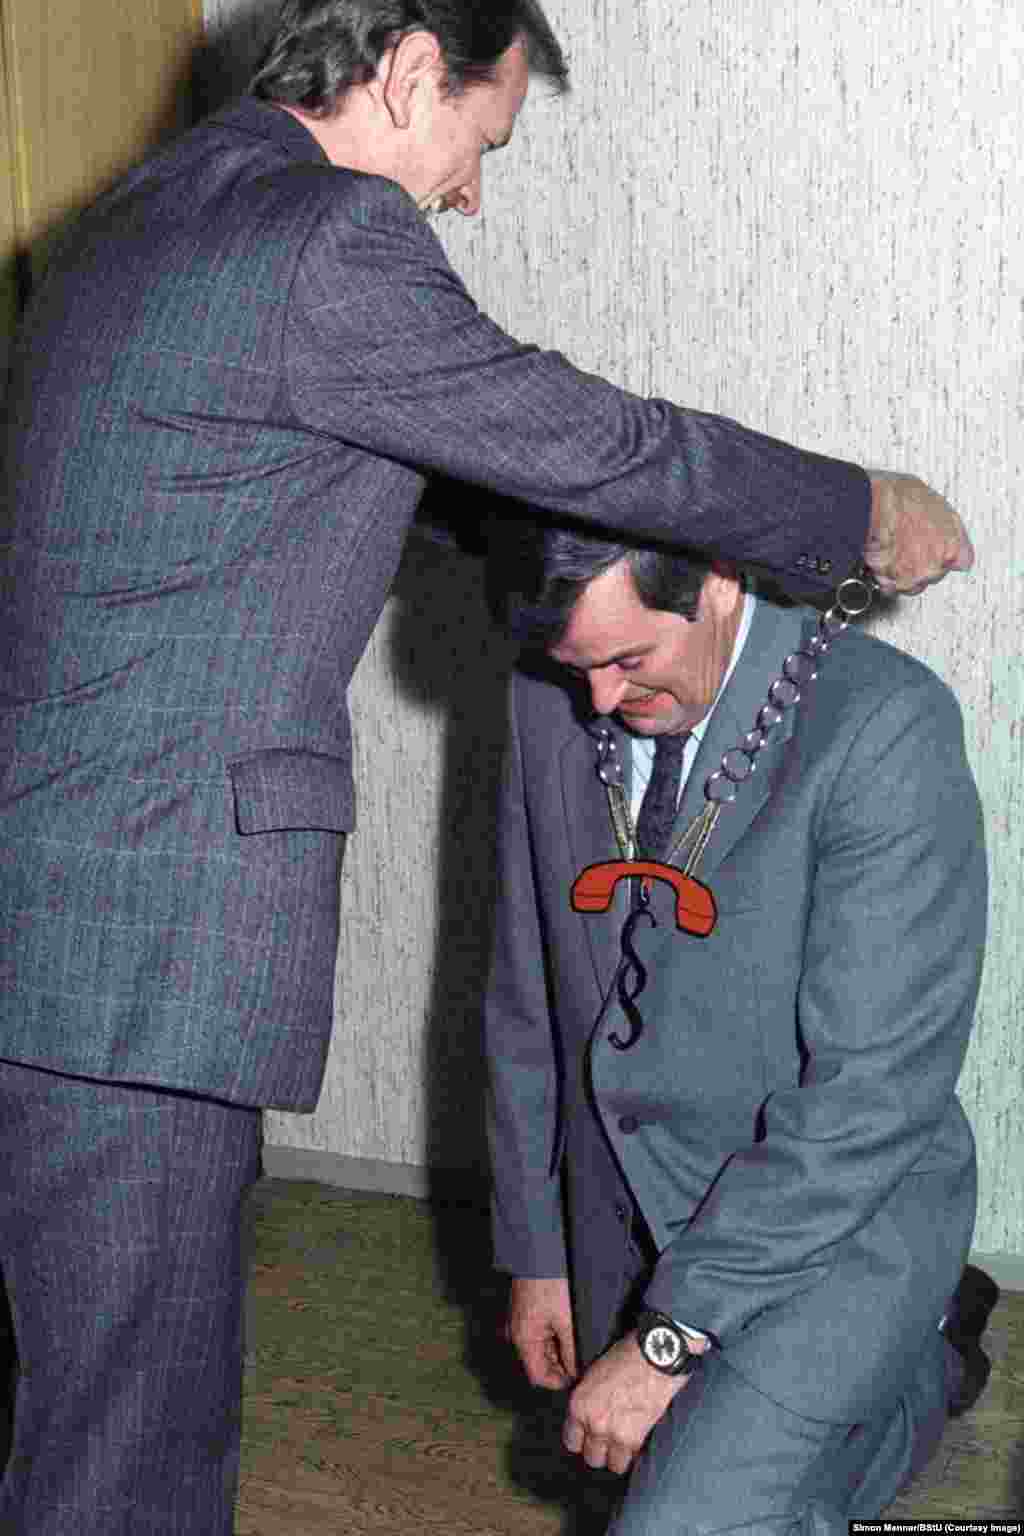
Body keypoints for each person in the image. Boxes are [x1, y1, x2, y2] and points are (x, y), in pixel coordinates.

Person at [0, 0, 973, 1531]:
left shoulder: (136, 224)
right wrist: (852, 508)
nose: (467, 193)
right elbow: (591, 441)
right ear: (402, 72)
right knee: (133, 1443)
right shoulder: (324, 240)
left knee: (86, 1399)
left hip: (57, 912)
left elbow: (476, 479)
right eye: (481, 138)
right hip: (145, 946)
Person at [483, 517, 990, 1532]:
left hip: (840, 1218)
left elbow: (869, 1101)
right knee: (675, 1487)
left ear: (715, 582)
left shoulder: (885, 727)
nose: (601, 703)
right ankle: (924, 1366)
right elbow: (528, 988)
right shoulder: (555, 702)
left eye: (629, 659)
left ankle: (907, 1333)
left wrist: (666, 1339)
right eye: (574, 668)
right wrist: (537, 1251)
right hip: (631, 1217)